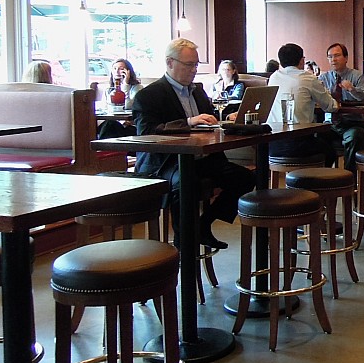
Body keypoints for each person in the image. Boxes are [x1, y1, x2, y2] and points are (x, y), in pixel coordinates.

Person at [132, 39, 255, 250]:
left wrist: (226, 119)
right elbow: (147, 132)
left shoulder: (197, 91)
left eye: (196, 64)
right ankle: (184, 244)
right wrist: (188, 122)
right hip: (165, 161)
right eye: (189, 64)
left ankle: (203, 224)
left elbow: (207, 120)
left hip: (199, 159)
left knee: (245, 178)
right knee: (185, 182)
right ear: (169, 62)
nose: (194, 70)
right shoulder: (149, 95)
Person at [267, 43, 339, 165]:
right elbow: (331, 107)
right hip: (298, 145)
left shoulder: (273, 77)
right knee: (330, 152)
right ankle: (312, 176)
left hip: (272, 144)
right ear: (301, 61)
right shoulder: (308, 78)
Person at [318, 42, 364, 172]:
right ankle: (323, 176)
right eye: (330, 57)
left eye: (337, 55)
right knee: (316, 135)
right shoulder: (323, 78)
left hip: (352, 123)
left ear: (346, 58)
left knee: (354, 136)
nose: (333, 59)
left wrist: (352, 90)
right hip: (330, 124)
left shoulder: (356, 76)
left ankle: (349, 176)